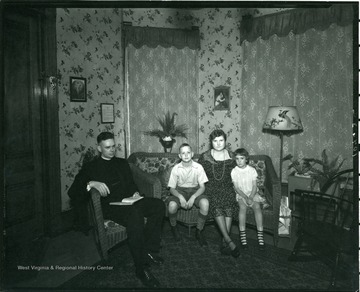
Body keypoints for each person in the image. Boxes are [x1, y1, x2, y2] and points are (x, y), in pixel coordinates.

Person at [68, 132, 165, 288]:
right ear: (99, 148)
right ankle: (141, 268)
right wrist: (91, 183)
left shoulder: (121, 163)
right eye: (107, 147)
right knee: (135, 215)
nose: (112, 150)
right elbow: (72, 192)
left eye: (114, 146)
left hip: (130, 201)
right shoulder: (91, 167)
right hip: (112, 207)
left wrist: (135, 193)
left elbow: (131, 184)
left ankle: (147, 249)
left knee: (159, 205)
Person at [198, 129, 240, 258]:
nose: (218, 143)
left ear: (225, 141)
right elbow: (198, 174)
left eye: (221, 140)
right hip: (211, 187)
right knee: (216, 203)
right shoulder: (205, 156)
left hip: (228, 187)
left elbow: (240, 173)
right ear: (211, 142)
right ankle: (228, 240)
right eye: (215, 141)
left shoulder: (233, 156)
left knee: (228, 206)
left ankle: (224, 241)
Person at [166, 143, 209, 246]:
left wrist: (194, 197)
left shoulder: (198, 167)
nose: (186, 155)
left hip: (195, 190)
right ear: (179, 156)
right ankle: (173, 227)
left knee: (205, 204)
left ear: (192, 154)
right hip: (180, 190)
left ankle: (199, 231)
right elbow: (172, 188)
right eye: (183, 153)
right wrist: (180, 197)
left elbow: (202, 187)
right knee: (172, 206)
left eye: (188, 152)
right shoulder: (176, 168)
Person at [231, 148, 265, 250]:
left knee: (257, 207)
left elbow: (255, 186)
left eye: (241, 158)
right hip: (241, 194)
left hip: (252, 193)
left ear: (246, 159)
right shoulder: (234, 171)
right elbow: (236, 188)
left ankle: (260, 235)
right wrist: (245, 197)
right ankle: (243, 236)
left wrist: (250, 197)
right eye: (237, 159)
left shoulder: (252, 170)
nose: (239, 161)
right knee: (242, 208)